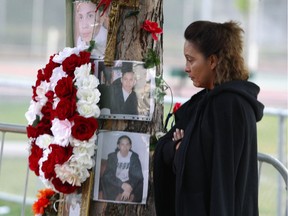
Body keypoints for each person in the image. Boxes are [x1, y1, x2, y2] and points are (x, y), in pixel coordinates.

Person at [153, 20, 264, 216]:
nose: (186, 68)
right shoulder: (204, 101)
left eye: (191, 60)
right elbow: (166, 146)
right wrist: (177, 147)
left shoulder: (230, 106)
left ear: (212, 61)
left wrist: (181, 148)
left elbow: (221, 180)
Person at [100, 135, 144, 202]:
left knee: (141, 183)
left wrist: (130, 187)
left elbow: (138, 175)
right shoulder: (112, 157)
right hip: (116, 182)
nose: (125, 147)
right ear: (118, 146)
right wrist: (121, 184)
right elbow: (108, 175)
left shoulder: (134, 157)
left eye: (127, 144)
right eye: (122, 144)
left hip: (129, 181)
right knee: (104, 179)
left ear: (130, 146)